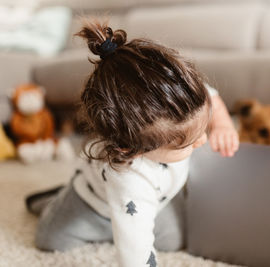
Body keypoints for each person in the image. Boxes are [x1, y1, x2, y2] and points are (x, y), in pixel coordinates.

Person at [26, 19, 239, 267]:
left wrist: (222, 124)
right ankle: (59, 198)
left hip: (156, 200)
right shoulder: (129, 178)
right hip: (93, 206)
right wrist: (129, 233)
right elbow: (135, 255)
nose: (202, 140)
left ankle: (124, 223)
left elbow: (211, 96)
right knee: (50, 239)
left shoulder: (186, 98)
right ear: (132, 150)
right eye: (186, 143)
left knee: (174, 240)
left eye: (204, 126)